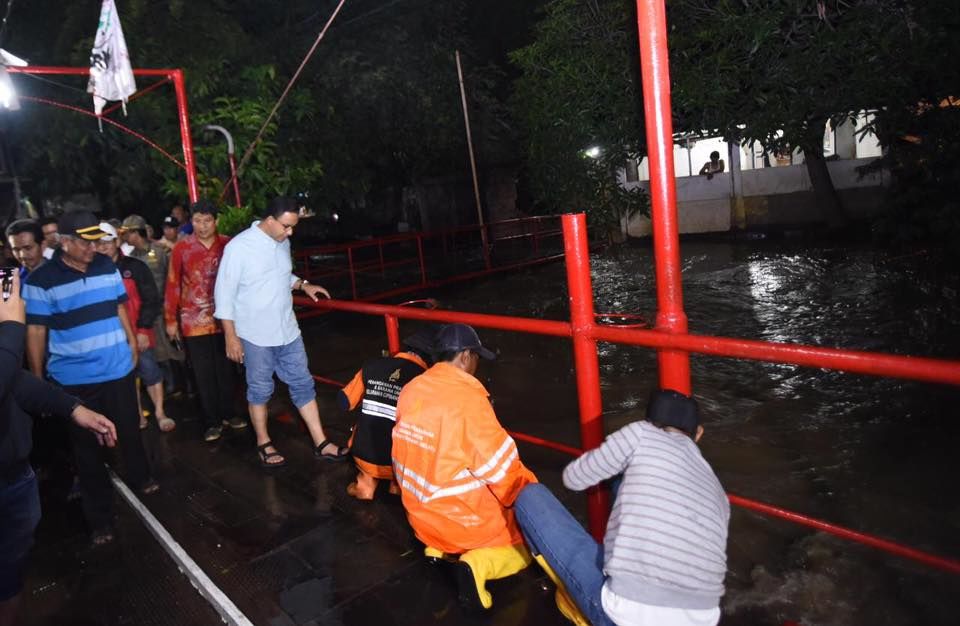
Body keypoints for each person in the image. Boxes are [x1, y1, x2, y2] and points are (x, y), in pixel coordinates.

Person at [513, 389, 730, 626]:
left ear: (649, 421)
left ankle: (563, 593)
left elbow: (574, 478)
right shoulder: (718, 489)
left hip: (622, 616)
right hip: (701, 619)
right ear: (698, 434)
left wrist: (615, 458)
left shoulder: (641, 434)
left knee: (531, 497)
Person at [22, 211, 158, 546]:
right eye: (84, 242)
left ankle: (141, 477)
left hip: (117, 368)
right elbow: (36, 331)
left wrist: (130, 344)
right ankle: (100, 517)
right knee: (86, 450)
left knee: (129, 428)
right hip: (74, 379)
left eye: (94, 240)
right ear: (63, 243)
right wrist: (39, 381)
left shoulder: (106, 266)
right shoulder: (40, 281)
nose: (91, 247)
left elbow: (119, 308)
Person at [392, 323, 537, 612]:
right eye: (477, 358)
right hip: (462, 524)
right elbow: (502, 472)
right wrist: (532, 496)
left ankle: (438, 551)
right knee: (526, 544)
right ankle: (478, 564)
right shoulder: (467, 399)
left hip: (421, 519)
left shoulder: (412, 388)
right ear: (466, 356)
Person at [0, 271, 118, 626]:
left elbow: (13, 381)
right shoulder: (10, 328)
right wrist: (12, 326)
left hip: (13, 474)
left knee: (10, 573)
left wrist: (73, 408)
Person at [214, 196, 345, 468]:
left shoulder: (282, 242)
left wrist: (303, 284)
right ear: (270, 220)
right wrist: (231, 336)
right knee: (260, 389)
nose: (290, 232)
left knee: (303, 384)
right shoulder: (239, 248)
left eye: (293, 227)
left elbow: (281, 275)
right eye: (286, 226)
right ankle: (263, 441)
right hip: (254, 335)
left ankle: (321, 442)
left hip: (288, 331)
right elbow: (223, 295)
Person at [165, 201, 244, 442]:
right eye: (197, 221)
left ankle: (230, 414)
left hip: (226, 320)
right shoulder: (181, 248)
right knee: (202, 373)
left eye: (207, 220)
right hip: (193, 322)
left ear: (216, 221)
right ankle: (211, 421)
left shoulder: (229, 245)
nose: (202, 226)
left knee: (226, 369)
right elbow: (172, 284)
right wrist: (171, 319)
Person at [338, 328, 435, 500]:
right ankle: (396, 487)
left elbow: (343, 402)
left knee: (366, 435)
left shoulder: (372, 366)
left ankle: (365, 486)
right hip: (398, 463)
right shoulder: (427, 381)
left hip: (362, 452)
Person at [96, 223, 174, 432]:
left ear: (116, 242)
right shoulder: (92, 272)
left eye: (106, 242)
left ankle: (159, 412)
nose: (102, 247)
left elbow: (151, 299)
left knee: (149, 371)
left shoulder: (135, 266)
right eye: (97, 243)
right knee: (125, 376)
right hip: (111, 336)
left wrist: (142, 329)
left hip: (139, 330)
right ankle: (137, 413)